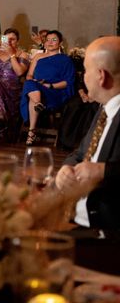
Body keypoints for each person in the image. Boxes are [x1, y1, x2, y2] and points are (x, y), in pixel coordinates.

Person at [55, 36, 120, 229]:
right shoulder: (104, 109)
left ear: (101, 76)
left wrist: (103, 171)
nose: (83, 76)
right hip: (75, 218)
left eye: (85, 70)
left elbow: (102, 169)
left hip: (105, 231)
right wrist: (66, 168)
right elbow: (81, 153)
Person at [21, 30, 75, 145]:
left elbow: (68, 82)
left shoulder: (65, 59)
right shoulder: (38, 57)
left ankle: (31, 131)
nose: (50, 42)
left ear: (60, 43)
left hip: (54, 91)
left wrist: (50, 85)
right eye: (48, 40)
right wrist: (35, 81)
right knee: (29, 83)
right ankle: (38, 104)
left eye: (54, 40)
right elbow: (29, 75)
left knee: (32, 93)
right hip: (37, 88)